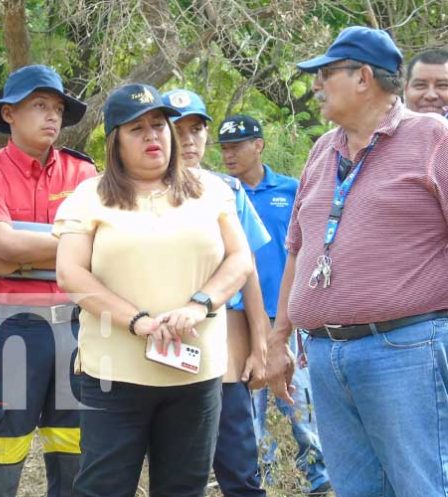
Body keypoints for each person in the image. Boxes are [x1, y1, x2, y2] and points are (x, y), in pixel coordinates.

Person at [267, 26, 448, 497]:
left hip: (407, 349)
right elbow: (298, 248)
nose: (316, 85)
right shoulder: (322, 150)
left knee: (424, 487)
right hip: (326, 356)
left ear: (364, 77)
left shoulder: (433, 137)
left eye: (327, 74)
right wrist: (278, 337)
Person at [54, 83, 253, 497]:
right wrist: (137, 321)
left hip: (194, 376)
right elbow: (70, 274)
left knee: (183, 489)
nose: (152, 135)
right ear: (115, 141)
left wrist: (200, 305)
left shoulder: (210, 189)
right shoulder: (88, 197)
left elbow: (239, 261)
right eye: (136, 128)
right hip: (114, 375)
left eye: (159, 124)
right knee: (102, 489)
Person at [0, 64, 96, 497]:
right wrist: (71, 245)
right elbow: (3, 243)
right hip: (12, 328)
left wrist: (18, 261)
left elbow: (105, 243)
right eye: (39, 106)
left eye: (57, 107)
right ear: (9, 115)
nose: (52, 116)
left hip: (78, 330)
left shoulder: (83, 174)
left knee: (77, 463)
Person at [162, 88, 270, 497]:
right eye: (178, 130)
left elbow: (249, 272)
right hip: (163, 337)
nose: (189, 141)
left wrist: (260, 344)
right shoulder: (135, 192)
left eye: (197, 129)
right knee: (176, 466)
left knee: (238, 463)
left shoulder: (228, 190)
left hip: (224, 336)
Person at [217, 114, 331, 496]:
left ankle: (318, 476)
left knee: (297, 400)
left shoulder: (291, 190)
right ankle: (259, 474)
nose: (228, 155)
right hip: (237, 319)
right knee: (249, 408)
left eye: (236, 146)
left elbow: (308, 249)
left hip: (283, 317)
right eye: (224, 148)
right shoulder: (222, 193)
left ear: (259, 145)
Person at [404, 48, 448, 115]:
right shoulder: (385, 124)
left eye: (442, 85)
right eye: (420, 85)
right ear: (406, 89)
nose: (430, 95)